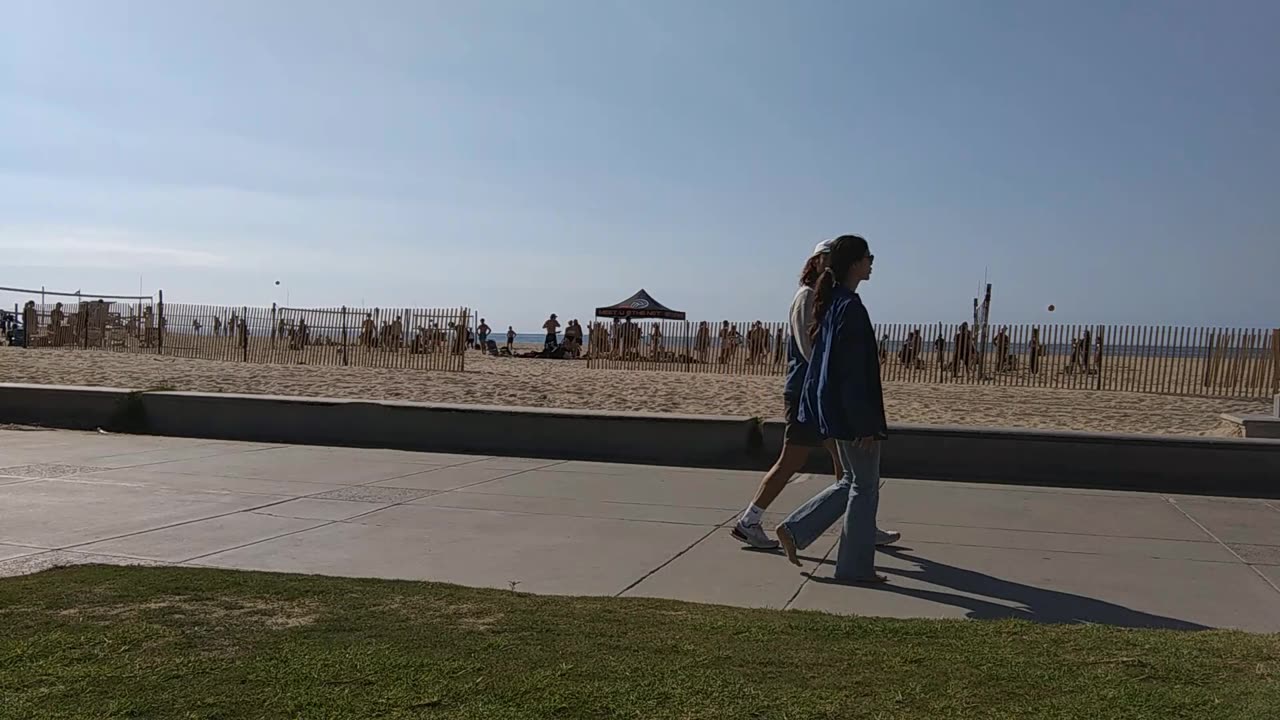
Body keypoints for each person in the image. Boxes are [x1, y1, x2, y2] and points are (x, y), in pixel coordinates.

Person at [732, 238, 899, 551]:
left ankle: (860, 524)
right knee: (794, 460)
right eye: (825, 256)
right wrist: (829, 384)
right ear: (818, 261)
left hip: (818, 393)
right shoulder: (807, 297)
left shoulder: (829, 297)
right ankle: (750, 520)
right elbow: (812, 350)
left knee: (844, 464)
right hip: (807, 394)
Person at [774, 234, 892, 584]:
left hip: (834, 411)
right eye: (869, 257)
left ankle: (796, 529)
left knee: (853, 481)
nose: (872, 262)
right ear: (855, 263)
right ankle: (855, 568)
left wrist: (823, 413)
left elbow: (824, 367)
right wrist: (865, 425)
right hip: (851, 416)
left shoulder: (833, 303)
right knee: (865, 487)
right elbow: (852, 373)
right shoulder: (849, 307)